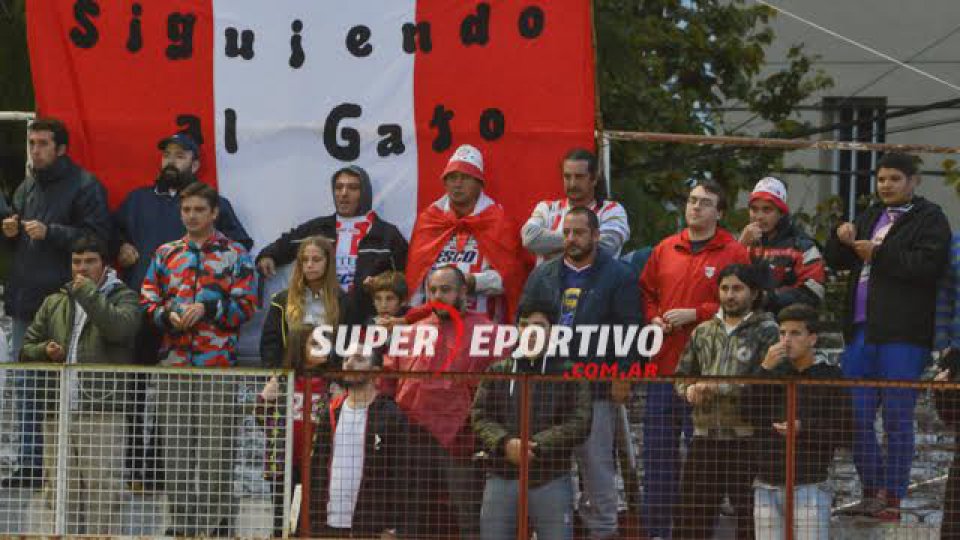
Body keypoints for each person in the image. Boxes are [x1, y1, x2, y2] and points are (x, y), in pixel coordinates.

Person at [113, 131, 252, 490]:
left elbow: (243, 251)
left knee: (207, 441)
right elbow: (105, 232)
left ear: (195, 162)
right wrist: (121, 246)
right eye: (166, 155)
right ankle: (135, 471)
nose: (170, 161)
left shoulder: (219, 215)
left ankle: (163, 478)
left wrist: (207, 306)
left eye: (179, 155)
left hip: (211, 350)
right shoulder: (139, 201)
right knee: (136, 396)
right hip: (149, 324)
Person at [825, 153, 951, 521]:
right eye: (881, 179)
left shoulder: (931, 219)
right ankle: (870, 492)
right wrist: (840, 236)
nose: (886, 185)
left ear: (914, 181)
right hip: (862, 332)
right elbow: (837, 260)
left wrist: (878, 254)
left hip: (904, 335)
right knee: (855, 416)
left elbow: (928, 266)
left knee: (897, 417)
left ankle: (892, 497)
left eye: (895, 179)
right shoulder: (869, 216)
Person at [140, 181, 257, 536]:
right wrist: (166, 315)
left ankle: (215, 526)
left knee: (214, 452)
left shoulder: (236, 254)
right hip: (173, 364)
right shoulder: (165, 253)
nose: (191, 216)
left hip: (216, 367)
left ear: (214, 213)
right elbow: (146, 300)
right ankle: (179, 526)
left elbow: (247, 307)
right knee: (174, 453)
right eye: (186, 210)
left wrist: (207, 309)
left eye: (198, 210)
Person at [519, 206, 641, 539]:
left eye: (579, 233)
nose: (571, 240)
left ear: (596, 236)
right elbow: (524, 322)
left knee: (597, 467)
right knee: (548, 466)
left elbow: (631, 330)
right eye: (567, 233)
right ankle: (551, 531)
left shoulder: (619, 275)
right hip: (549, 388)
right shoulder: (544, 274)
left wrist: (624, 375)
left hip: (597, 388)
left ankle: (603, 531)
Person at [1, 117, 111, 489]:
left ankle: (67, 472)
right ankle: (31, 465)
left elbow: (99, 239)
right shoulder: (27, 185)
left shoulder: (85, 185)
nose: (34, 150)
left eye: (42, 143)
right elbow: (16, 240)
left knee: (71, 387)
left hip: (68, 304)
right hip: (24, 299)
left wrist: (52, 233)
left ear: (62, 148)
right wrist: (11, 231)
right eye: (31, 143)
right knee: (26, 384)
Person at [637, 179, 750, 539]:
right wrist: (653, 316)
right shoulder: (665, 248)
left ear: (720, 212)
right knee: (657, 459)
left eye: (705, 202)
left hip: (709, 376)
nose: (696, 207)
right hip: (663, 369)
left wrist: (697, 313)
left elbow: (745, 304)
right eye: (691, 200)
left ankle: (699, 533)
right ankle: (657, 532)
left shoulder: (733, 253)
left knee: (705, 464)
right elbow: (646, 291)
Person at [20, 235, 140, 533]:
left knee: (104, 490)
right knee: (60, 489)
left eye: (90, 262)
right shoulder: (55, 301)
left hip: (103, 410)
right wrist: (45, 350)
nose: (82, 268)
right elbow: (25, 349)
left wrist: (88, 294)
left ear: (105, 265)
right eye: (76, 262)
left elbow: (119, 330)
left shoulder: (124, 297)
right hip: (58, 410)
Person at [383, 265, 498, 539]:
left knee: (468, 515)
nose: (437, 295)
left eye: (445, 290)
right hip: (413, 436)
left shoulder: (487, 331)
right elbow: (387, 379)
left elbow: (498, 389)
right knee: (410, 515)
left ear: (463, 291)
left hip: (462, 437)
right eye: (432, 290)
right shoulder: (412, 331)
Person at [673, 263, 779, 540]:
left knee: (750, 519)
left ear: (754, 293)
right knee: (693, 518)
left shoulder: (768, 331)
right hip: (705, 436)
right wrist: (689, 391)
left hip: (748, 437)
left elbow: (769, 380)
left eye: (737, 289)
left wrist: (717, 387)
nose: (730, 295)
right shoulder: (703, 331)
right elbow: (681, 376)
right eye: (725, 288)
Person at [471, 300, 593, 540]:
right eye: (525, 325)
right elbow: (479, 416)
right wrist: (505, 444)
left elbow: (580, 422)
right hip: (502, 474)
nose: (531, 331)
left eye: (539, 325)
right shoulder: (498, 371)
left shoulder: (571, 372)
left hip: (551, 476)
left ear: (552, 331)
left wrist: (536, 445)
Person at [742, 303, 849, 540]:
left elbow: (844, 431)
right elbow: (746, 411)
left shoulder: (830, 377)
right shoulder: (772, 371)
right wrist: (765, 369)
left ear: (812, 338)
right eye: (782, 333)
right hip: (767, 482)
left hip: (810, 483)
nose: (786, 340)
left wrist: (803, 428)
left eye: (795, 333)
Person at [256, 165, 407, 322]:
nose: (343, 193)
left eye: (353, 188)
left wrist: (379, 284)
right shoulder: (319, 228)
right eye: (338, 187)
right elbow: (289, 241)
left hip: (367, 319)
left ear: (365, 193)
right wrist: (269, 255)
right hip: (321, 316)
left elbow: (404, 277)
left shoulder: (386, 234)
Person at [406, 144, 529, 323]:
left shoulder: (499, 222)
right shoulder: (430, 220)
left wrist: (473, 282)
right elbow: (416, 280)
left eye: (465, 177)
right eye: (452, 177)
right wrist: (414, 320)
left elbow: (510, 280)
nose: (457, 184)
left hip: (484, 329)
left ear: (479, 183)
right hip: (434, 326)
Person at [310, 348, 418, 538]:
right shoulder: (330, 413)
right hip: (329, 522)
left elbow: (403, 474)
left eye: (359, 359)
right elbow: (317, 467)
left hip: (371, 525)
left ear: (376, 372)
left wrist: (392, 526)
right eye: (346, 359)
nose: (349, 363)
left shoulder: (391, 416)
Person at [257, 324, 331, 538]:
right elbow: (261, 415)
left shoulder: (330, 383)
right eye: (316, 343)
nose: (323, 348)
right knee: (280, 516)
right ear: (300, 348)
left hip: (316, 459)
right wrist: (267, 405)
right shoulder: (282, 379)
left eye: (326, 343)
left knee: (308, 515)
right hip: (282, 458)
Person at [522, 148, 630, 262]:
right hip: (548, 279)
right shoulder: (547, 208)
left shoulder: (612, 210)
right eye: (567, 177)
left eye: (579, 177)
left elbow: (606, 246)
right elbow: (530, 238)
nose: (572, 183)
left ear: (594, 179)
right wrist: (582, 240)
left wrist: (548, 244)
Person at [739, 177, 826, 313]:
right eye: (754, 210)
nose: (759, 216)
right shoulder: (744, 244)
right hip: (747, 326)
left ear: (781, 213)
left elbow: (813, 293)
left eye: (767, 210)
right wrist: (740, 247)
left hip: (787, 328)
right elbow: (724, 281)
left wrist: (769, 298)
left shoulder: (803, 246)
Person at [260, 236, 346, 368]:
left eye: (316, 259)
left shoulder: (343, 301)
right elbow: (270, 346)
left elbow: (347, 345)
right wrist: (277, 377)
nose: (310, 265)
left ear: (329, 263)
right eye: (305, 260)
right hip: (290, 375)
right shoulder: (281, 300)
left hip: (329, 377)